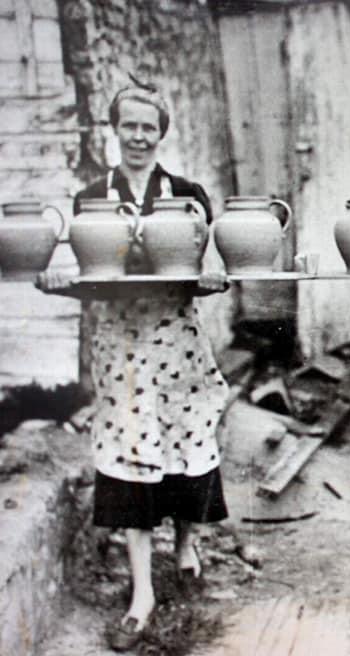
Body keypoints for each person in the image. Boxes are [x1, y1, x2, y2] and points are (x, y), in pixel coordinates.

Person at [39, 83, 230, 652]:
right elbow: (93, 282)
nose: (139, 137)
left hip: (177, 344)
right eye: (130, 126)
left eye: (149, 127)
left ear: (161, 133)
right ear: (115, 129)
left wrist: (213, 280)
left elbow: (199, 273)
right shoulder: (91, 199)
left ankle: (187, 544)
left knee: (188, 444)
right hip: (121, 349)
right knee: (130, 457)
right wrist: (58, 282)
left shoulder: (189, 196)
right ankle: (142, 592)